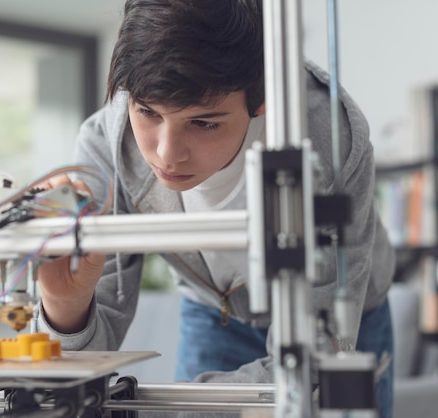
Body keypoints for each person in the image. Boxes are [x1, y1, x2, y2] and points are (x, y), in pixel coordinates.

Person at [35, 0, 395, 416]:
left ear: (263, 99)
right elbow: (79, 370)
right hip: (213, 314)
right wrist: (65, 307)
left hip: (344, 315)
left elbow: (314, 365)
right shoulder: (106, 146)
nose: (167, 155)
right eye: (147, 112)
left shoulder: (331, 138)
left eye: (204, 123)